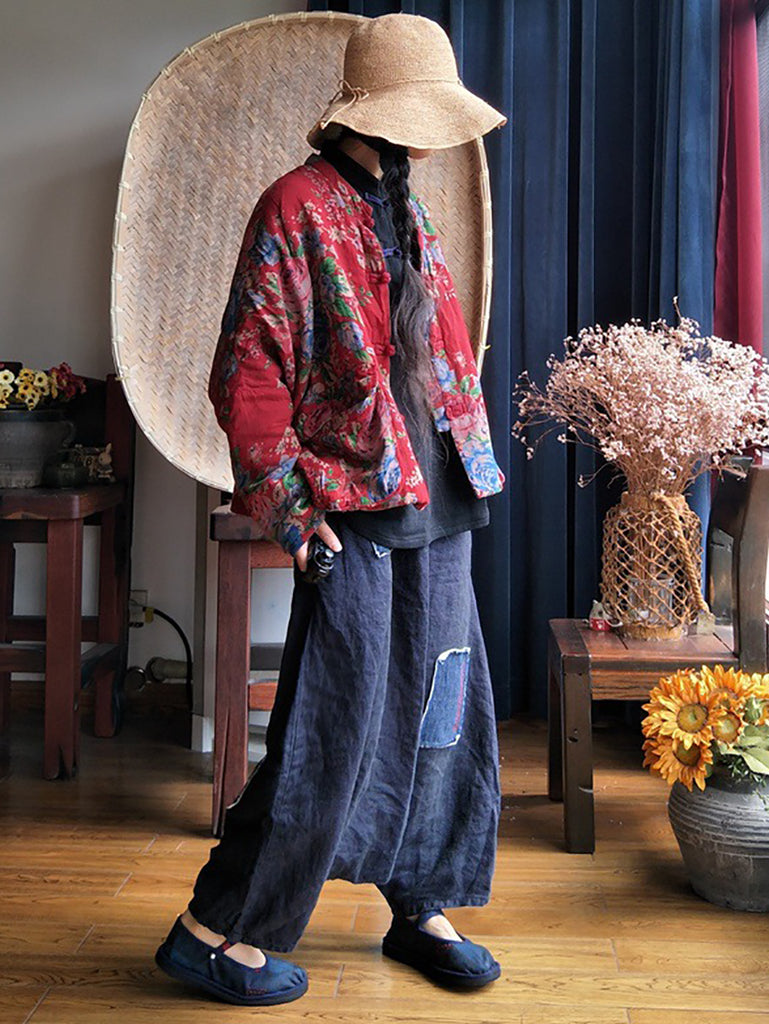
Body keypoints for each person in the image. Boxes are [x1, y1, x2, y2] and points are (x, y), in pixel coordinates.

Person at [154, 12, 507, 1007]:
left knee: (441, 712)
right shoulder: (293, 206)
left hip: (441, 497)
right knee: (332, 724)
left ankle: (420, 901)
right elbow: (247, 377)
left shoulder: (408, 207)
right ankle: (216, 930)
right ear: (372, 115)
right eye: (417, 119)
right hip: (351, 507)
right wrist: (291, 508)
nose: (429, 139)